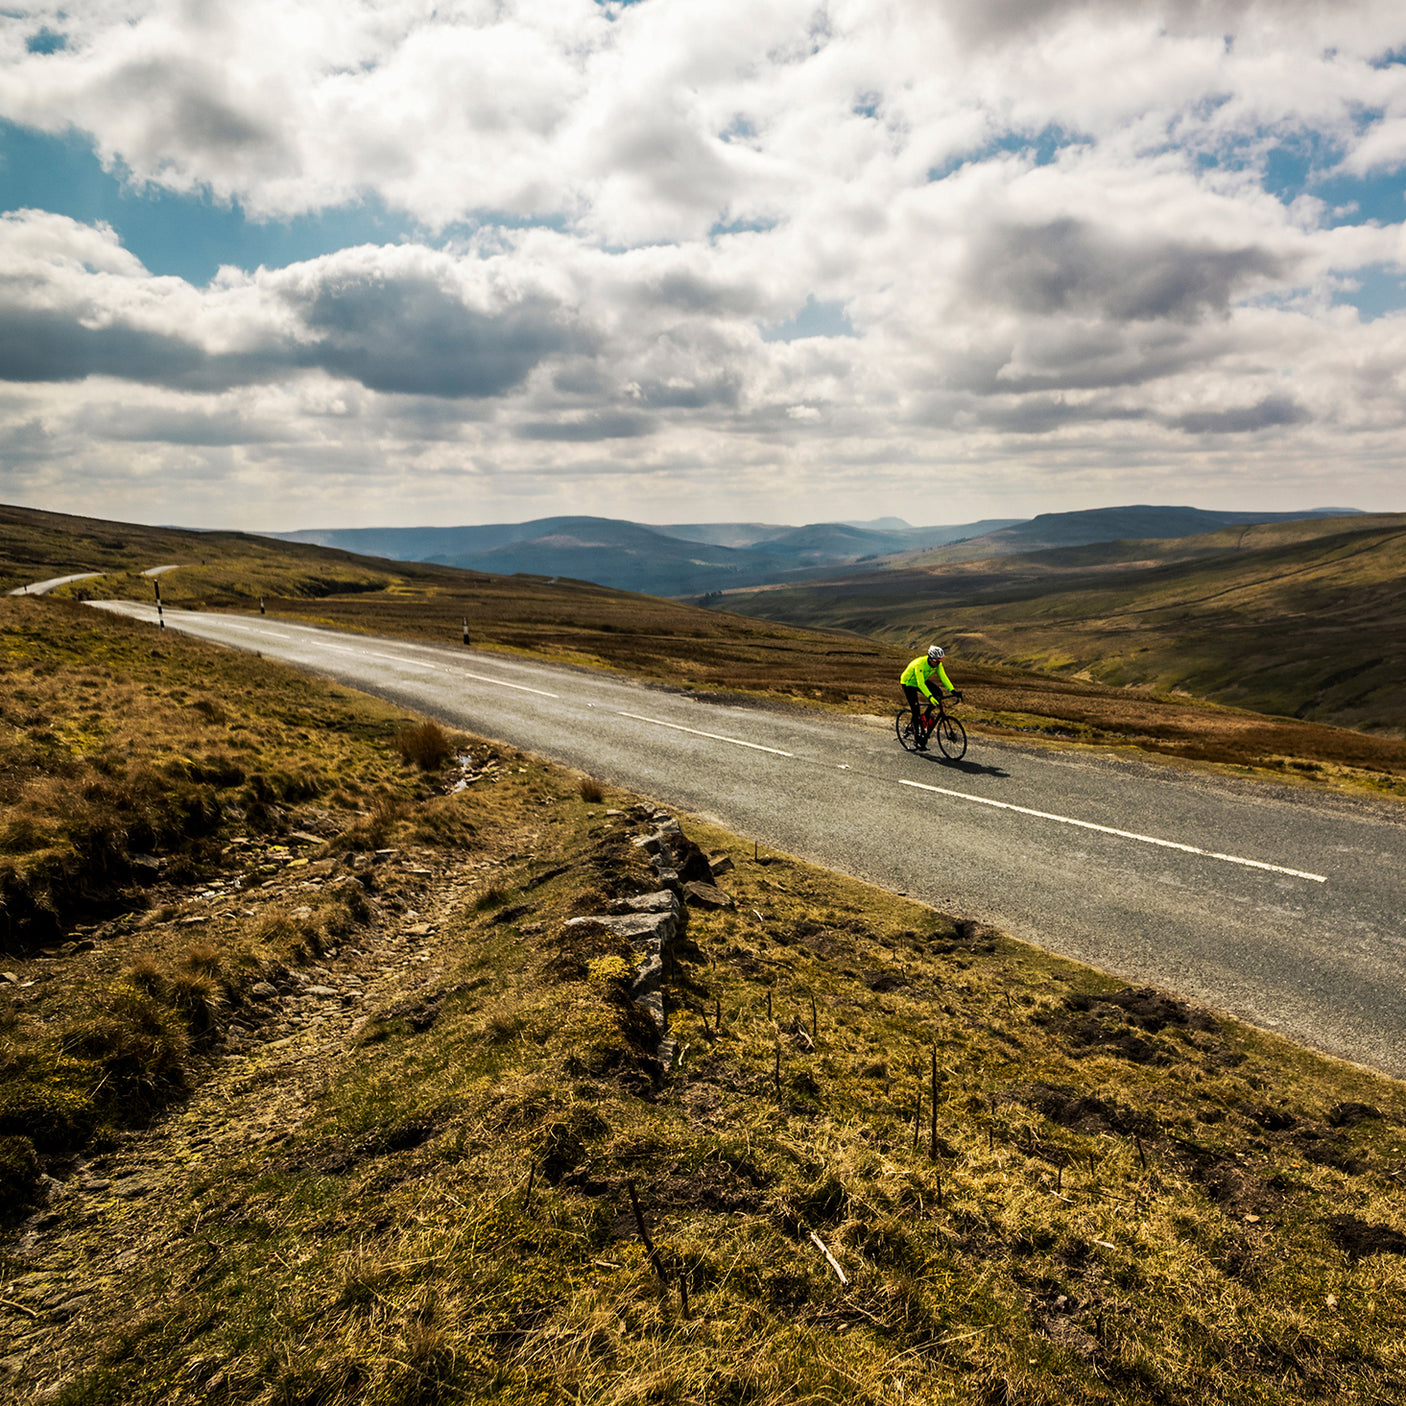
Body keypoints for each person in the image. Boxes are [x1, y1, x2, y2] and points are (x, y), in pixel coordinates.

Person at [901, 646, 961, 750]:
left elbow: (944, 677)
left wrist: (953, 691)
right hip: (908, 684)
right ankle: (916, 738)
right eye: (936, 661)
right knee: (916, 710)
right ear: (930, 658)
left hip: (921, 681)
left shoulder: (938, 664)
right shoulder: (920, 664)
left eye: (940, 661)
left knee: (938, 693)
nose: (938, 663)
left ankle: (926, 715)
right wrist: (930, 696)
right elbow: (920, 684)